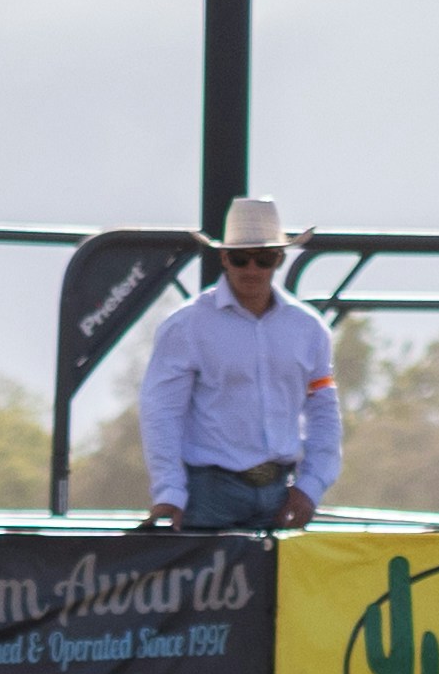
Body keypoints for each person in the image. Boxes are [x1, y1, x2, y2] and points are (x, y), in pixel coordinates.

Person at [135, 200, 345, 533]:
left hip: (279, 494)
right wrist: (170, 490)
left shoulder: (309, 329)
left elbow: (323, 411)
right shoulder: (187, 325)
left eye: (263, 259)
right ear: (223, 259)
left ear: (279, 259)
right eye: (240, 258)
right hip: (208, 493)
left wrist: (310, 487)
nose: (251, 269)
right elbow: (161, 411)